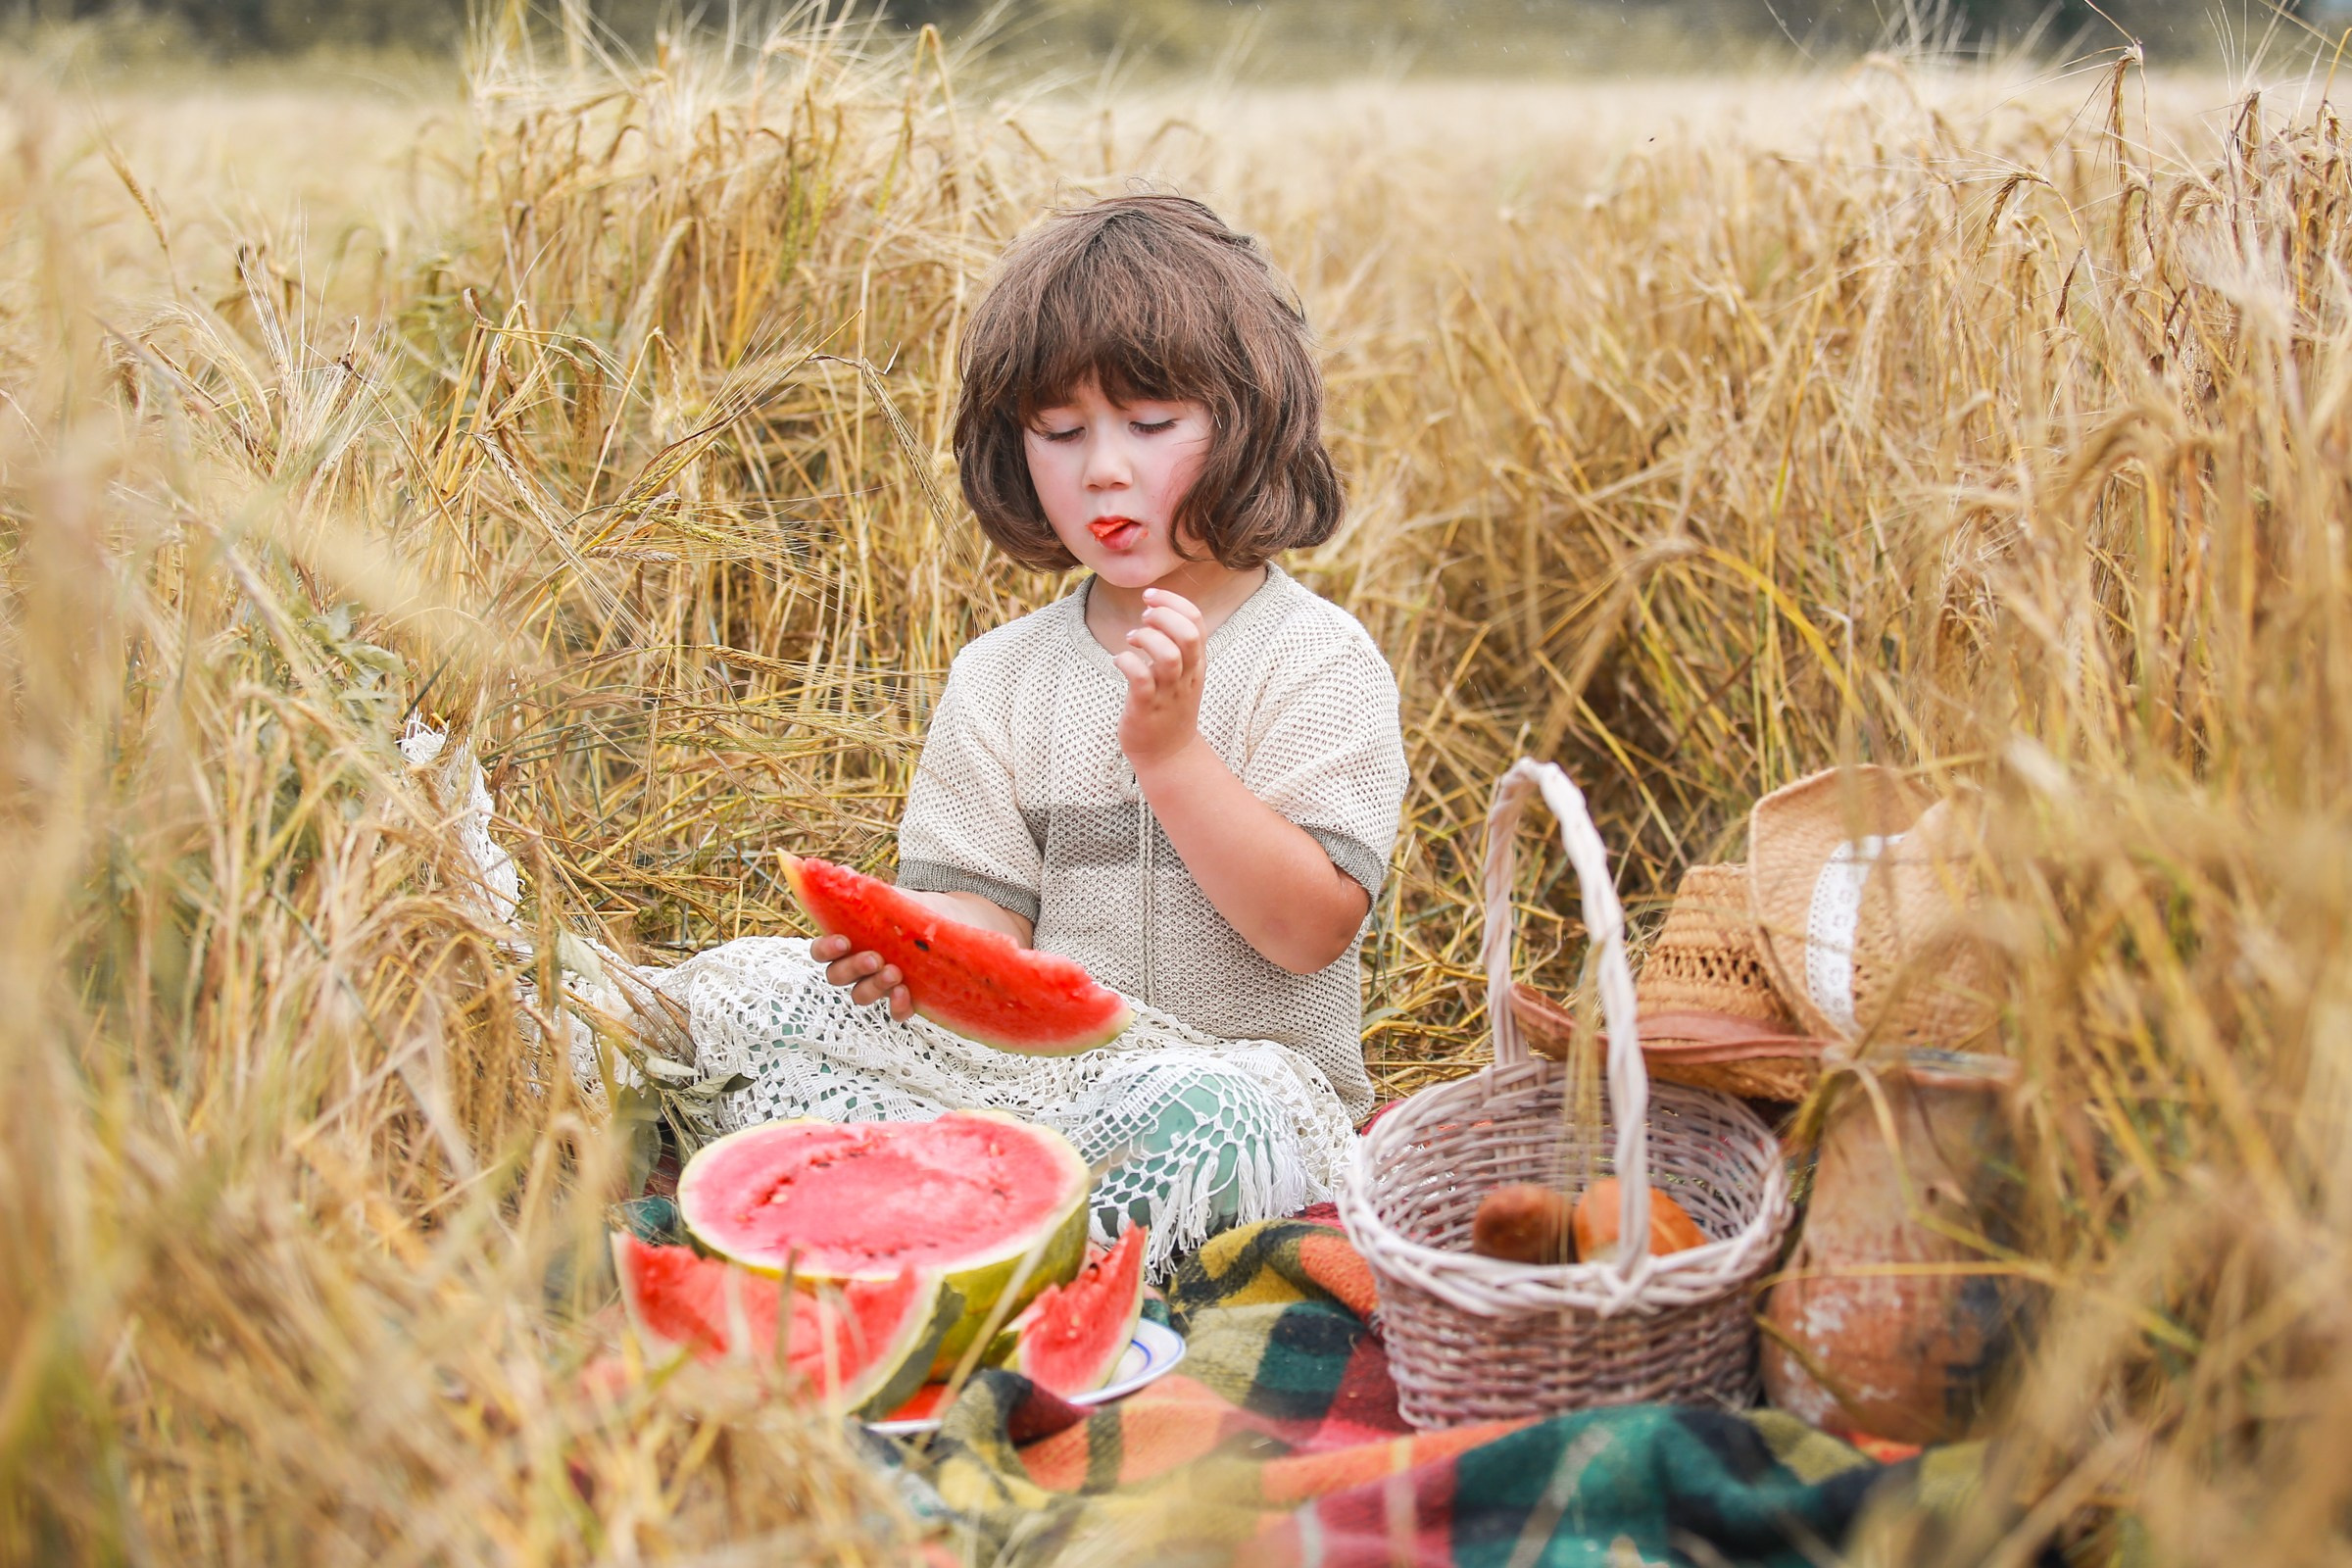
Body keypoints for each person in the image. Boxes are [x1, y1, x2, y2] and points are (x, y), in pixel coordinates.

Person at [661, 194, 1407, 1275]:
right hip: (1039, 1084)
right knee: (747, 988)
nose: (1103, 469)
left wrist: (1172, 756)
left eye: (1150, 425)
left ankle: (932, 1218)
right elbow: (986, 915)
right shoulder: (1001, 675)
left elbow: (1310, 929)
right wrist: (908, 942)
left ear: (1249, 421)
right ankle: (947, 1193)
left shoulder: (1317, 660)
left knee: (1218, 1112)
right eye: (1061, 434)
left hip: (1248, 1088)